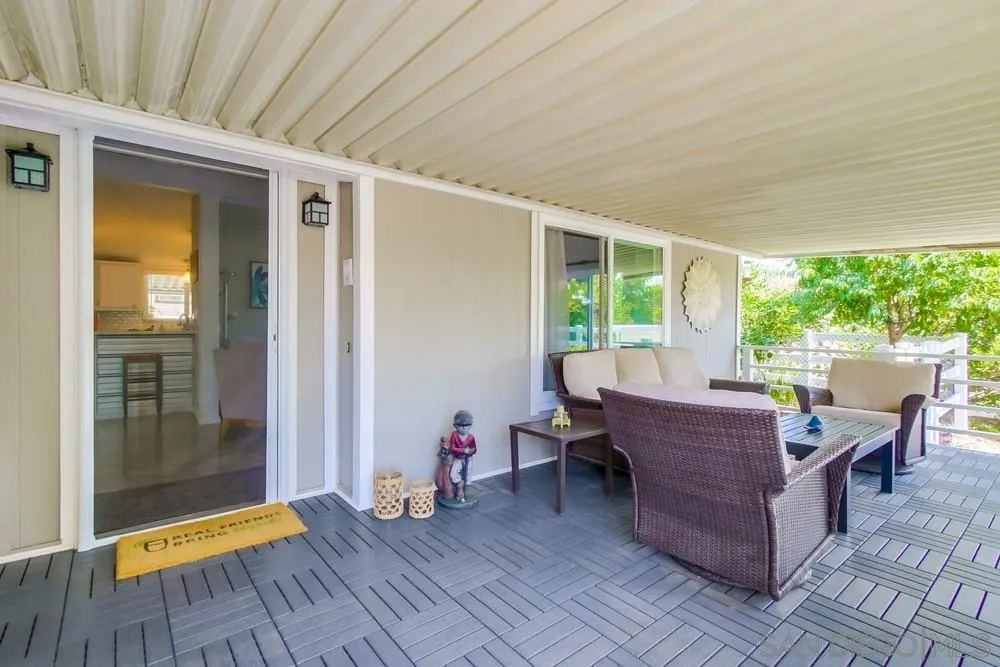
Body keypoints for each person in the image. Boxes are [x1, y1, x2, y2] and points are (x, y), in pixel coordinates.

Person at [447, 410, 476, 502]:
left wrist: (471, 451)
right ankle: (460, 485)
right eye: (461, 426)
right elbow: (452, 448)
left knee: (467, 474)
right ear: (455, 426)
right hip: (459, 458)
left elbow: (474, 449)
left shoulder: (471, 437)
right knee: (453, 474)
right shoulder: (454, 435)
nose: (463, 428)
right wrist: (463, 450)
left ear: (470, 426)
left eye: (466, 426)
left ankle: (463, 491)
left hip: (468, 459)